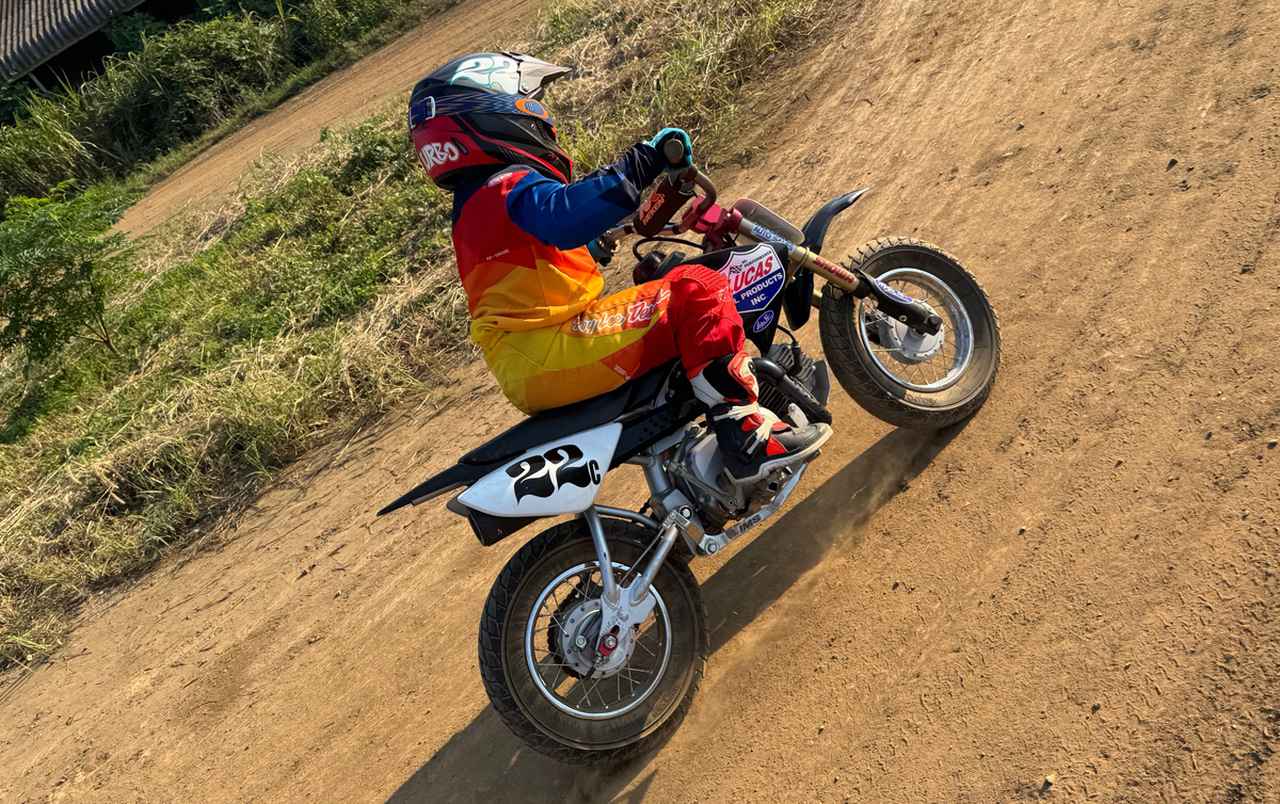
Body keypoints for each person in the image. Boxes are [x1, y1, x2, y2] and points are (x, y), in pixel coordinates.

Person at [409, 52, 829, 482]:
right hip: (554, 347)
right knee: (697, 290)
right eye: (531, 101)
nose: (541, 114)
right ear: (493, 111)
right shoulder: (504, 185)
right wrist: (644, 160)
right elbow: (565, 215)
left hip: (530, 360)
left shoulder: (476, 204)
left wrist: (592, 245)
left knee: (658, 292)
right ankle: (747, 434)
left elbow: (532, 252)